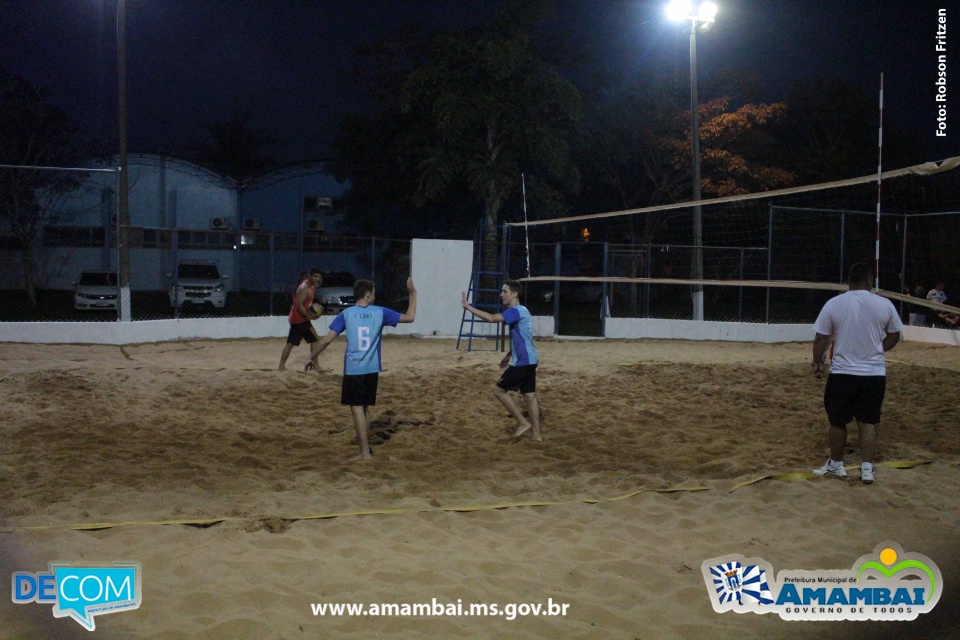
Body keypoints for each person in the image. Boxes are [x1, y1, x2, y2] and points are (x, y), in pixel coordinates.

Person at [811, 262, 902, 484]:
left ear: (848, 280)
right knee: (868, 421)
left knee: (837, 421)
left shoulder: (834, 303)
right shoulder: (884, 304)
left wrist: (817, 362)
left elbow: (821, 337)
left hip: (843, 373)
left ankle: (836, 465)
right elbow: (894, 335)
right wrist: (877, 349)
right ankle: (867, 468)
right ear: (870, 280)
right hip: (874, 374)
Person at [309, 277, 417, 460]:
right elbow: (410, 317)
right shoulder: (380, 312)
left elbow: (326, 340)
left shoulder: (347, 314)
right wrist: (413, 294)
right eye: (373, 292)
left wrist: (311, 357)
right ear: (368, 294)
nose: (374, 295)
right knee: (365, 408)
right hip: (372, 368)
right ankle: (366, 447)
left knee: (357, 408)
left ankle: (364, 452)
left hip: (354, 369)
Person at [461, 279, 542, 441]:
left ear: (515, 294)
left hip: (523, 361)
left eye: (505, 291)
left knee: (499, 391)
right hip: (531, 359)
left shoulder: (516, 311)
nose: (501, 294)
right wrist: (509, 355)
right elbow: (523, 338)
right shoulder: (523, 310)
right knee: (529, 396)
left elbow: (491, 318)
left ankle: (522, 423)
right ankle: (537, 435)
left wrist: (468, 307)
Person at [278, 269, 323, 371]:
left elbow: (319, 283)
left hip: (295, 319)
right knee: (315, 340)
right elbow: (299, 305)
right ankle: (315, 365)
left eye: (319, 277)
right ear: (310, 276)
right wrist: (308, 316)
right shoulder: (305, 288)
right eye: (315, 276)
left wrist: (319, 279)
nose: (317, 279)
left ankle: (281, 366)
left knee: (290, 343)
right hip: (301, 320)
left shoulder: (310, 285)